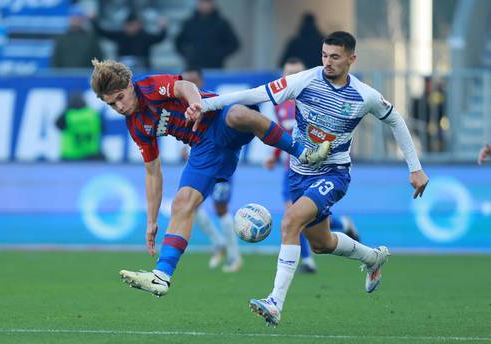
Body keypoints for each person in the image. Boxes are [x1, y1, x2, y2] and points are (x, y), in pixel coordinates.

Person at [195, 31, 429, 325]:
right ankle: (372, 258)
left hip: (334, 174)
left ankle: (275, 302)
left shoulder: (364, 95)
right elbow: (256, 93)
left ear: (351, 59)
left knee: (291, 220)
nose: (327, 62)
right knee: (321, 243)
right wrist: (208, 104)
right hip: (298, 173)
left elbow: (395, 119)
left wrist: (415, 166)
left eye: (335, 57)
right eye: (324, 55)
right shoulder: (305, 80)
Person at [90, 59, 330, 297]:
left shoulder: (150, 87)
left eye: (120, 97)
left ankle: (303, 153)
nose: (119, 107)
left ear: (130, 85)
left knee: (237, 113)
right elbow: (153, 171)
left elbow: (185, 87)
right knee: (182, 203)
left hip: (219, 118)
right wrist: (151, 221)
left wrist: (197, 106)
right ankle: (161, 276)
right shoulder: (136, 126)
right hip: (204, 149)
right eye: (112, 105)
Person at [265, 57, 359, 274]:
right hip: (292, 166)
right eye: (289, 73)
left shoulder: (312, 99)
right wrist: (275, 155)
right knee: (296, 215)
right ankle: (338, 230)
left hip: (316, 168)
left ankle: (310, 257)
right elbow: (284, 134)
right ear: (283, 76)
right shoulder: (281, 104)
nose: (292, 77)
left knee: (297, 215)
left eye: (297, 73)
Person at [181, 67, 242, 273]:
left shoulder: (213, 102)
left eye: (194, 81)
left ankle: (234, 257)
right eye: (186, 82)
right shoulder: (183, 107)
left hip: (220, 164)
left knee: (220, 208)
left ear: (201, 81)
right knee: (190, 206)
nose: (190, 86)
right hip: (200, 166)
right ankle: (218, 243)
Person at [175, 0, 239, 69]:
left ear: (212, 4)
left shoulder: (222, 23)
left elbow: (234, 44)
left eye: (207, 2)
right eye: (202, 2)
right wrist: (188, 54)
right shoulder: (189, 23)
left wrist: (219, 55)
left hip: (215, 67)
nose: (205, 5)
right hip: (194, 68)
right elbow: (178, 42)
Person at [92, 13, 167, 69]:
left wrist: (163, 28)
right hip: (123, 70)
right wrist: (94, 21)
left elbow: (160, 38)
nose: (130, 28)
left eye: (132, 25)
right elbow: (103, 32)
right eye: (128, 25)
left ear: (138, 25)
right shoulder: (120, 35)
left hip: (142, 69)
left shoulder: (145, 37)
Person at [55, 91, 105, 160]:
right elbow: (103, 129)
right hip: (91, 155)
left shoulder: (67, 115)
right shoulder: (93, 115)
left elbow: (58, 125)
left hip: (70, 156)